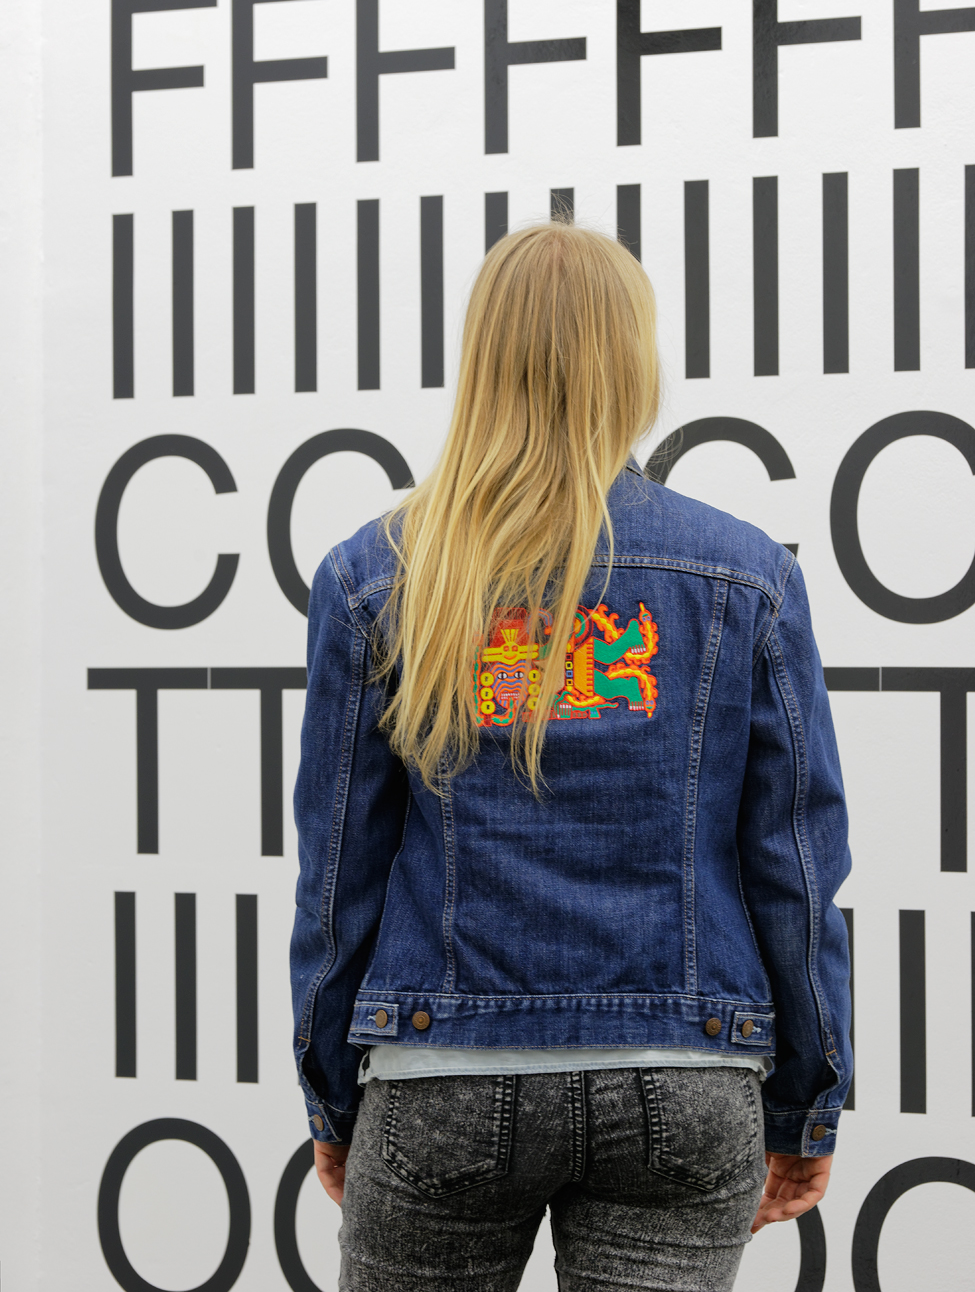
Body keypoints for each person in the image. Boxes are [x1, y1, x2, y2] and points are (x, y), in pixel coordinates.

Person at [290, 222, 852, 1291]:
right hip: (684, 1075)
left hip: (441, 1074)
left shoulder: (376, 575)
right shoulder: (746, 576)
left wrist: (331, 1093)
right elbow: (797, 868)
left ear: (481, 358)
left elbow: (335, 878)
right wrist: (806, 1102)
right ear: (634, 361)